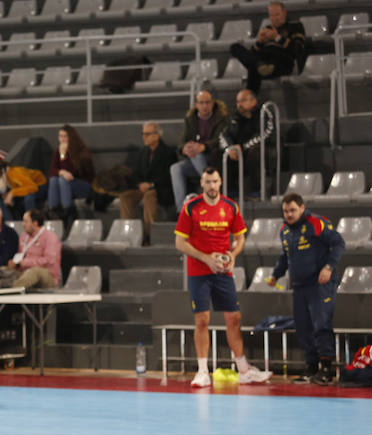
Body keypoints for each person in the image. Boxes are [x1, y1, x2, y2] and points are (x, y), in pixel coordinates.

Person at [174, 167, 270, 388]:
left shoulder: (230, 207)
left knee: (234, 318)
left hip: (223, 272)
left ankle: (244, 370)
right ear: (202, 183)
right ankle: (202, 371)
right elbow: (180, 243)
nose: (212, 186)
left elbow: (240, 238)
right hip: (199, 272)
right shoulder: (191, 208)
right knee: (202, 320)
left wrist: (233, 254)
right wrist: (205, 258)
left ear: (220, 182)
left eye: (215, 182)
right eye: (208, 182)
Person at [267, 192, 345, 385]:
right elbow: (285, 256)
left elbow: (338, 243)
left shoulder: (316, 223)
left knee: (321, 324)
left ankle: (326, 369)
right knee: (303, 328)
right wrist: (276, 274)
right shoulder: (285, 230)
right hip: (299, 286)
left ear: (302, 208)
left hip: (320, 284)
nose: (289, 214)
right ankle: (311, 367)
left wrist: (328, 267)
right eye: (285, 211)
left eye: (292, 210)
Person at [119, 121, 179, 245]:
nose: (144, 137)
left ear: (157, 135)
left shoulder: (168, 152)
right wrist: (140, 184)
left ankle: (149, 235)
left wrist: (152, 185)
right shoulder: (143, 152)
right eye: (143, 134)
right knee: (126, 197)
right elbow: (136, 173)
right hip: (144, 187)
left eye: (147, 134)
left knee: (149, 196)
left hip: (161, 189)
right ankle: (130, 232)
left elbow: (168, 177)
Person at [170, 90, 229, 211]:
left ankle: (212, 196)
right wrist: (184, 148)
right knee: (175, 168)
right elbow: (183, 140)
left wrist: (203, 147)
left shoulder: (221, 118)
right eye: (201, 103)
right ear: (196, 104)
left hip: (214, 157)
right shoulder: (191, 119)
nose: (204, 106)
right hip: (196, 158)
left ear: (213, 103)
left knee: (197, 155)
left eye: (207, 102)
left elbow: (221, 139)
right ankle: (181, 210)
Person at [229, 1, 305, 95]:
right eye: (271, 16)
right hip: (263, 59)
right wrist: (259, 42)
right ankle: (260, 65)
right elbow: (253, 54)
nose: (274, 19)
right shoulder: (267, 28)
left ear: (284, 13)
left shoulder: (296, 25)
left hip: (281, 60)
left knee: (253, 68)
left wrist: (277, 37)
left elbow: (297, 49)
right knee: (234, 47)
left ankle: (249, 100)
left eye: (277, 15)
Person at [219, 89, 275, 200]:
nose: (239, 104)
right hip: (239, 152)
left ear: (253, 101)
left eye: (243, 101)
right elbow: (223, 135)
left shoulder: (264, 113)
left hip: (264, 150)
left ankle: (257, 190)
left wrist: (242, 148)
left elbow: (266, 134)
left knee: (255, 152)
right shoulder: (233, 117)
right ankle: (229, 190)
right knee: (218, 153)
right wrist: (230, 148)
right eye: (237, 101)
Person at [45, 125, 95, 221]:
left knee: (62, 179)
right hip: (65, 185)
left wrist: (63, 156)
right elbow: (52, 171)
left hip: (84, 185)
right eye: (60, 136)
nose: (62, 139)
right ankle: (53, 211)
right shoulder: (58, 151)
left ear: (71, 137)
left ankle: (67, 212)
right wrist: (61, 171)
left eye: (65, 136)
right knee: (54, 179)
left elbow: (73, 174)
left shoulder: (82, 152)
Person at [8, 209, 61, 289]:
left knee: (34, 272)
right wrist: (15, 263)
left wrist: (25, 262)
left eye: (26, 222)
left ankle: (11, 291)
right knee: (3, 270)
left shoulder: (50, 237)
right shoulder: (23, 237)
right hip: (25, 272)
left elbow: (49, 260)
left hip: (48, 275)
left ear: (35, 223)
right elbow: (20, 256)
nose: (23, 224)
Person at [0, 155, 46, 221]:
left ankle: (32, 222)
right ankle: (10, 224)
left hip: (40, 185)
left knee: (29, 197)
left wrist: (12, 193)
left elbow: (32, 187)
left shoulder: (13, 172)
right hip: (21, 192)